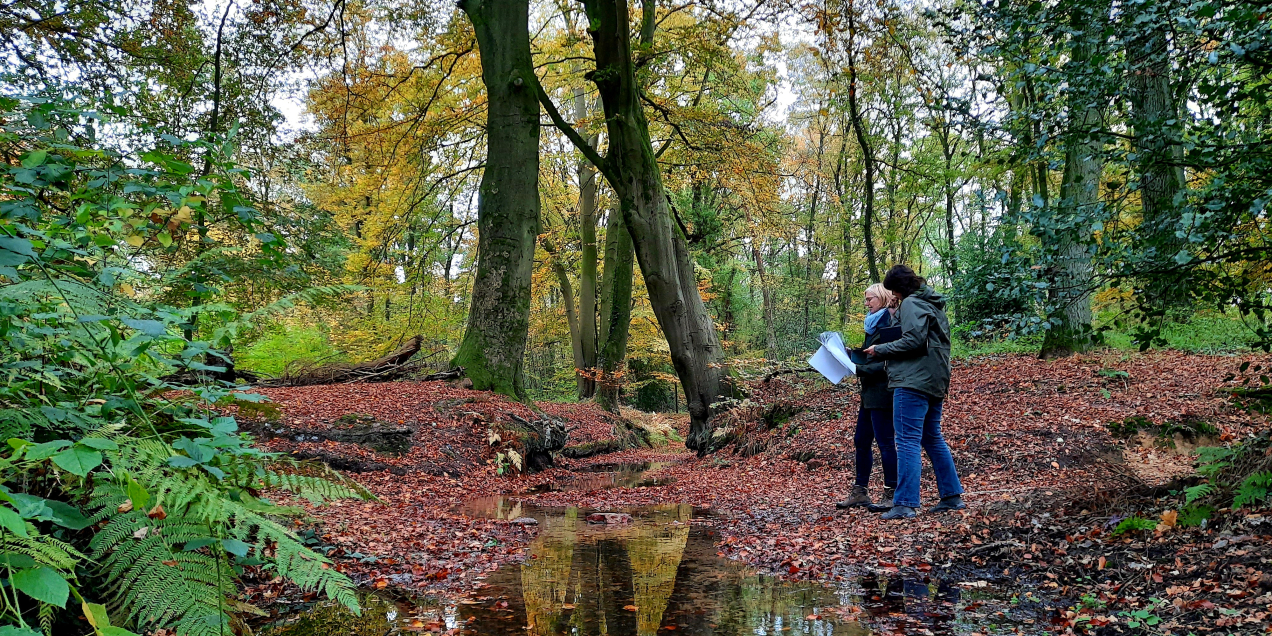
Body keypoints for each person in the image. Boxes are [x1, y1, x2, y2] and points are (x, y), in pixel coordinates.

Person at [864, 264, 965, 520]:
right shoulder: (933, 304)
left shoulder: (911, 304)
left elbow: (913, 341)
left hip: (912, 380)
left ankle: (906, 502)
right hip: (936, 379)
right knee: (932, 437)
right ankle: (952, 496)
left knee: (907, 439)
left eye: (894, 292)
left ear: (899, 288)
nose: (894, 297)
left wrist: (880, 349)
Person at [836, 283, 898, 511]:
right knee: (861, 441)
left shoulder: (890, 323)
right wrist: (849, 355)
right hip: (869, 393)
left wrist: (856, 369)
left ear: (882, 298)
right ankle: (860, 491)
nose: (866, 303)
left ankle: (892, 492)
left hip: (883, 392)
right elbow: (868, 356)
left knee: (885, 443)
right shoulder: (872, 324)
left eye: (870, 299)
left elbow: (886, 362)